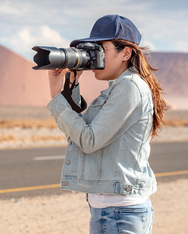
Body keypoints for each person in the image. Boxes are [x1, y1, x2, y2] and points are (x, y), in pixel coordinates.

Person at [46, 15, 166, 234]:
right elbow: (78, 136)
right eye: (91, 50)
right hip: (109, 210)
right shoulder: (118, 87)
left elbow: (88, 141)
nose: (93, 58)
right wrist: (69, 87)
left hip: (121, 214)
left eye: (100, 49)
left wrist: (56, 97)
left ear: (126, 53)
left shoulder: (129, 87)